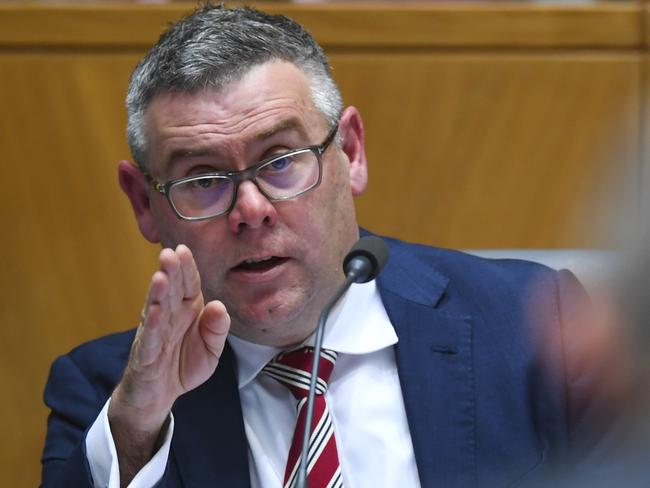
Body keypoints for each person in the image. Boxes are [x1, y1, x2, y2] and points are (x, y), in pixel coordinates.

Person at [40, 4, 614, 487]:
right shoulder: (107, 399)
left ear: (352, 153)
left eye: (282, 160)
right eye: (204, 180)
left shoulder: (536, 323)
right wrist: (138, 426)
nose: (251, 210)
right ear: (145, 203)